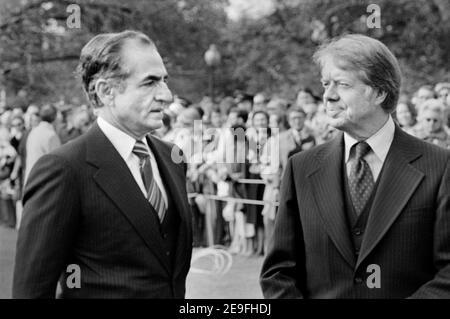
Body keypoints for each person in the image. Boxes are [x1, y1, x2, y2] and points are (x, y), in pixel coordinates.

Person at [260, 34, 450, 298]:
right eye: (326, 84)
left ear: (380, 92)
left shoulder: (440, 167)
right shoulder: (300, 168)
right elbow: (278, 273)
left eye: (342, 84)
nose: (328, 96)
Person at [13, 30, 192, 298]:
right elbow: (32, 289)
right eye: (150, 82)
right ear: (106, 91)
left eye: (165, 80)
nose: (166, 95)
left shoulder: (172, 157)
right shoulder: (64, 170)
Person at [24, 104, 61, 183]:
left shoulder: (33, 132)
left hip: (30, 181)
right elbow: (57, 164)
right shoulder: (51, 135)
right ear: (54, 117)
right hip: (43, 183)